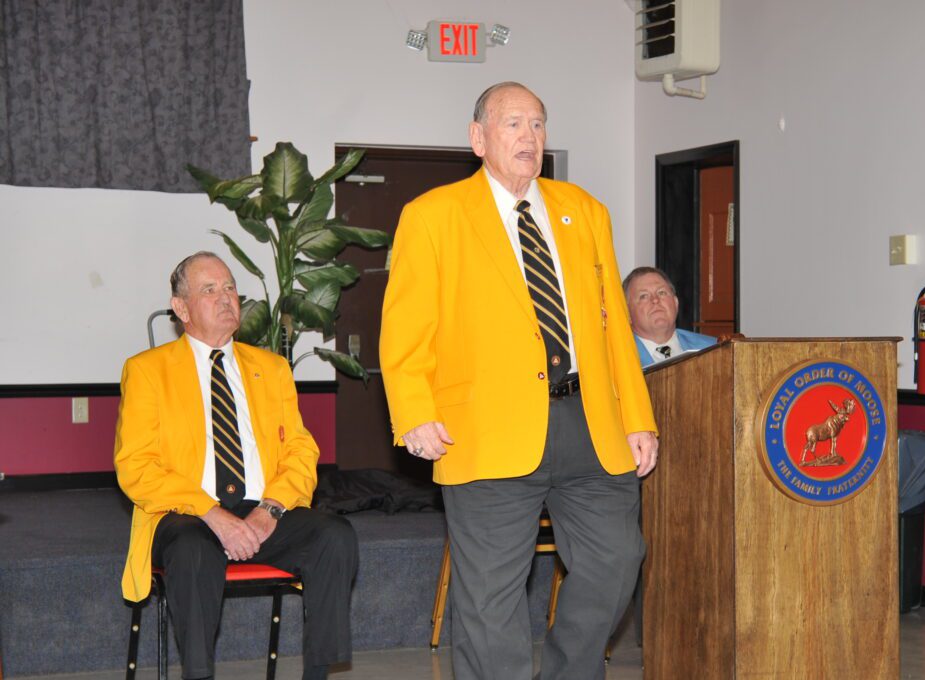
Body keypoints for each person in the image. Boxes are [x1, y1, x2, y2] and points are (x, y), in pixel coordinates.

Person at [379, 82, 658, 680]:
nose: (529, 136)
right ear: (478, 138)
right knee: (489, 599)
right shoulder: (432, 215)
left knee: (618, 560)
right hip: (483, 428)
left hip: (589, 423)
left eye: (537, 124)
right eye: (512, 124)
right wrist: (414, 411)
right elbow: (405, 328)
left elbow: (614, 325)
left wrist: (637, 417)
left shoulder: (584, 210)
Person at [114, 252, 358, 680]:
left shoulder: (272, 368)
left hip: (262, 511)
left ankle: (318, 675)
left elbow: (301, 451)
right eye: (209, 290)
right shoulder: (148, 371)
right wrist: (212, 514)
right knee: (191, 550)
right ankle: (199, 674)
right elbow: (136, 465)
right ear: (181, 308)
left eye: (230, 287)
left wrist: (270, 510)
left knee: (334, 536)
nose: (226, 297)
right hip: (186, 513)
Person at [622, 266, 716, 367]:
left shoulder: (713, 349)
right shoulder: (618, 360)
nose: (655, 300)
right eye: (643, 296)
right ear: (627, 312)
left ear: (676, 303)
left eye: (661, 292)